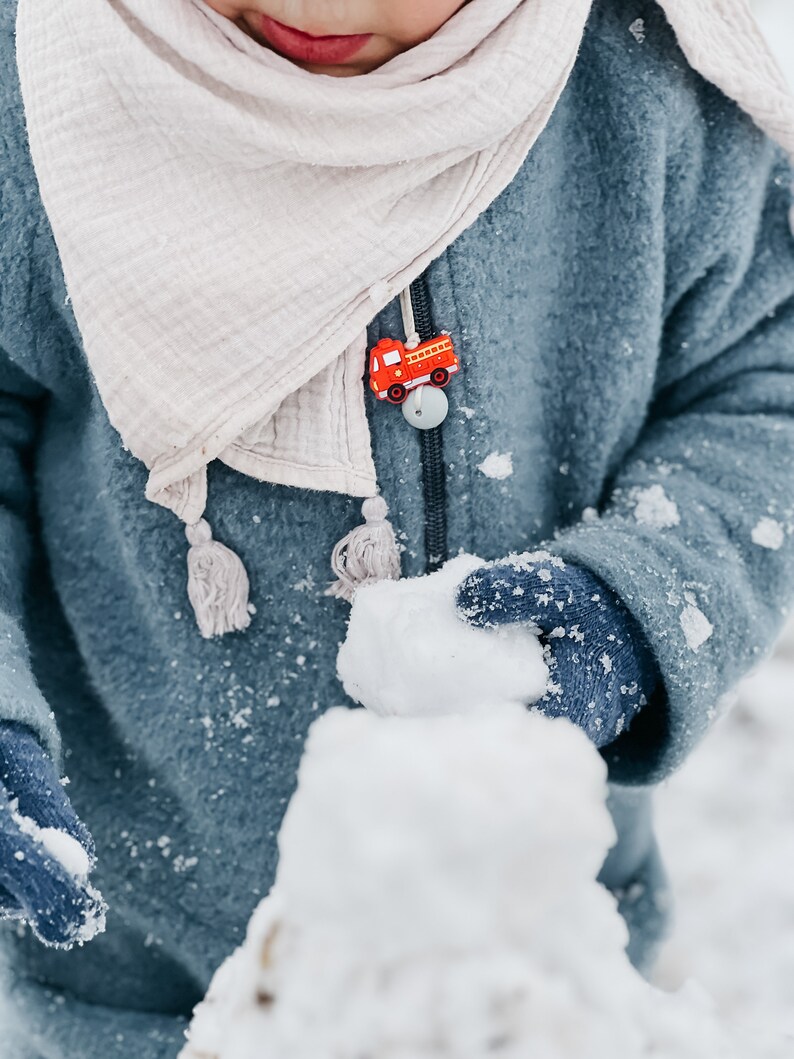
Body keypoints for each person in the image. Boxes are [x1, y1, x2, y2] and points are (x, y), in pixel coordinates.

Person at [1, 0, 793, 1055]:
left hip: (525, 965)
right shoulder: (50, 94)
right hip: (143, 979)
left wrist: (642, 597)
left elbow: (762, 383)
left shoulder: (642, 96)